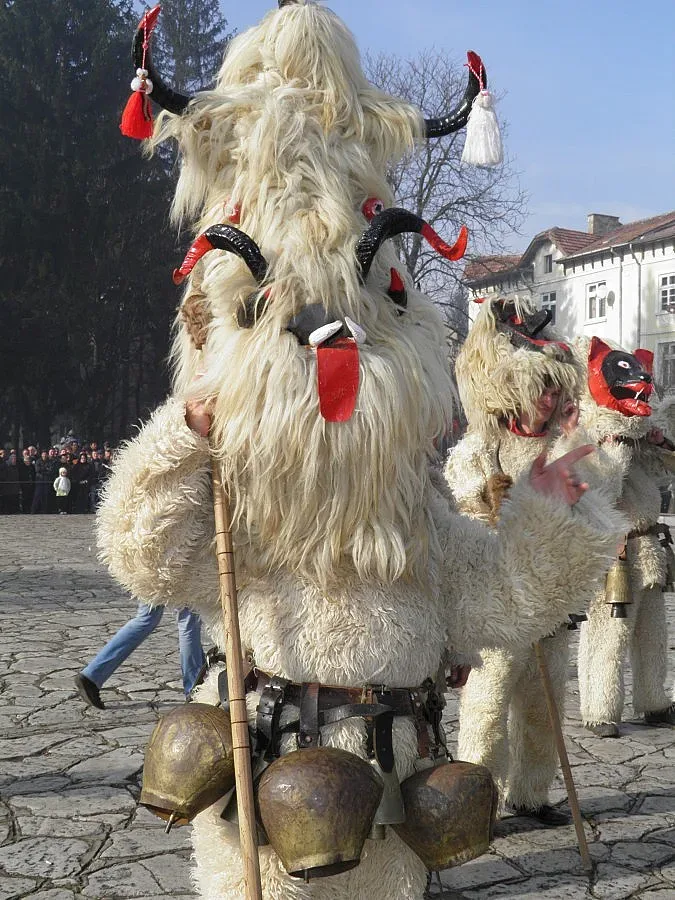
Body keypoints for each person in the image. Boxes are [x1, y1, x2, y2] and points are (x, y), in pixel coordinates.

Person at [445, 296, 594, 826]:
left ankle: (531, 794)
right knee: (486, 711)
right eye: (540, 389)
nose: (548, 399)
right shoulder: (484, 443)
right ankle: (473, 804)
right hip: (500, 606)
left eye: (555, 390)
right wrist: (485, 496)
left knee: (542, 712)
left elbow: (587, 507)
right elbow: (458, 493)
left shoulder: (562, 449)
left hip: (551, 606)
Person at [73, 603, 206, 708]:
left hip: (150, 570)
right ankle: (195, 692)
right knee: (189, 620)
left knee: (147, 618)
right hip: (180, 570)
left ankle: (92, 674)